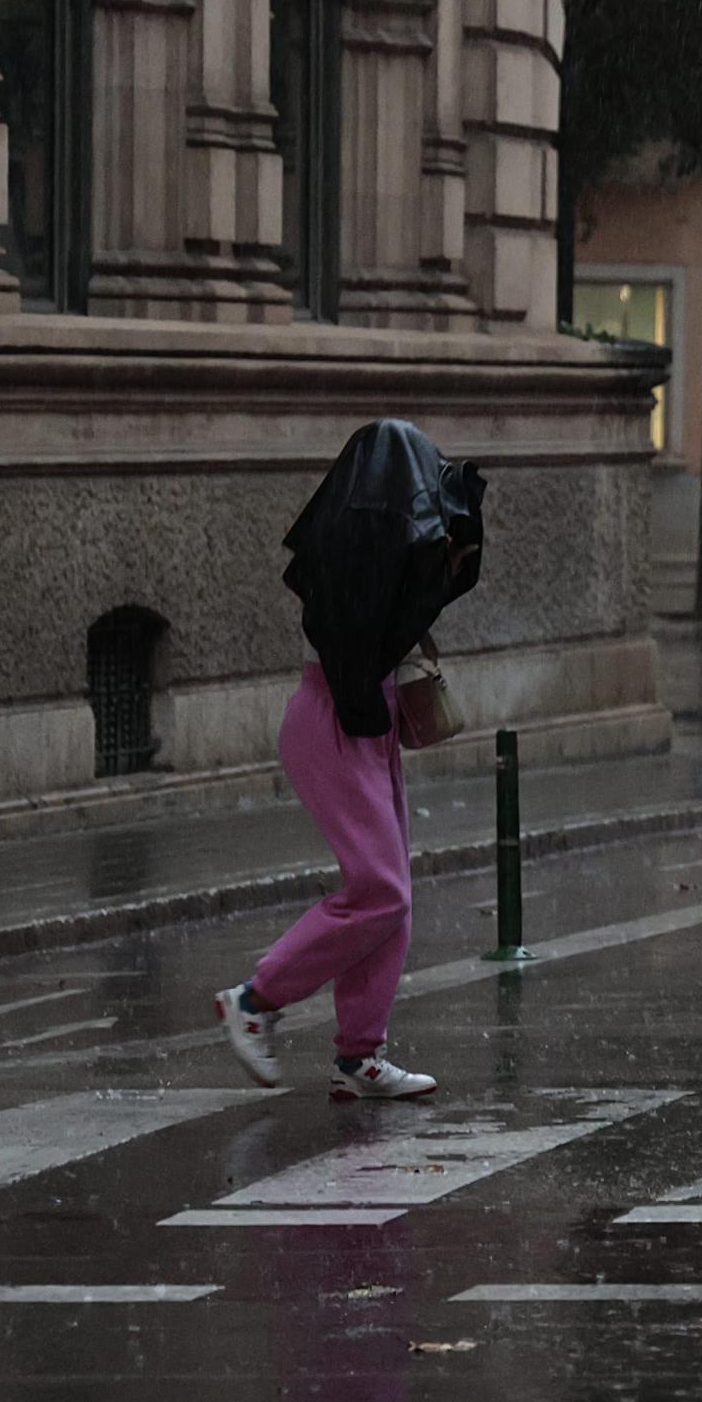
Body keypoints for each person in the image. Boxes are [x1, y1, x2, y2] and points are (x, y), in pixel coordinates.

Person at [215, 419, 484, 1101]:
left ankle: (359, 1055)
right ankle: (254, 999)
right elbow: (358, 639)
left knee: (391, 898)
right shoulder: (360, 549)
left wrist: (448, 558)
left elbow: (397, 617)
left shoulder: (373, 544)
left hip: (365, 720)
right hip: (332, 721)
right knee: (381, 889)